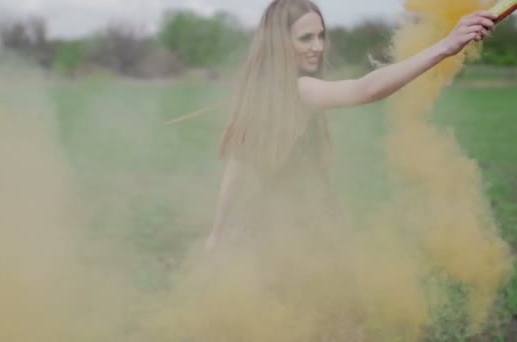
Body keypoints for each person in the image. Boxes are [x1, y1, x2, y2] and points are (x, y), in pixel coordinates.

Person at [205, 0, 496, 251]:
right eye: (305, 38)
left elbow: (237, 165)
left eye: (321, 36)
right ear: (278, 42)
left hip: (284, 229)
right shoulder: (299, 88)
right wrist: (446, 46)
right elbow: (363, 90)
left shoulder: (260, 91)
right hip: (297, 236)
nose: (317, 47)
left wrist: (217, 233)